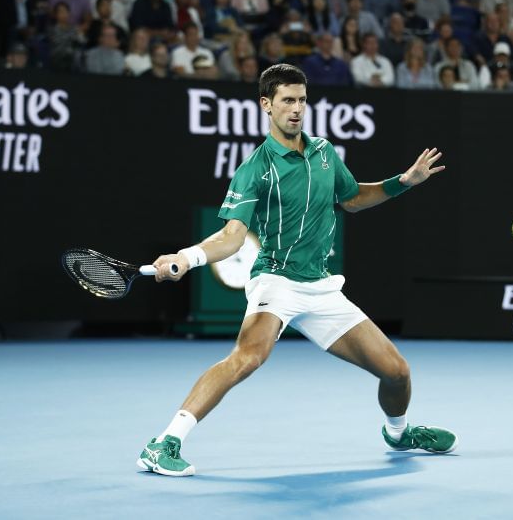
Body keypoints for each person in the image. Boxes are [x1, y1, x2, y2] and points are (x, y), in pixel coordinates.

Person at [138, 63, 458, 477]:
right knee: (248, 357)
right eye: (287, 100)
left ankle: (398, 433)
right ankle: (165, 442)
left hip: (321, 288)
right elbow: (233, 235)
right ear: (266, 105)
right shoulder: (255, 168)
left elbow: (353, 198)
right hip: (276, 280)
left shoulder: (325, 152)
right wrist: (189, 256)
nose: (296, 109)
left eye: (302, 100)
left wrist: (404, 181)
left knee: (397, 372)